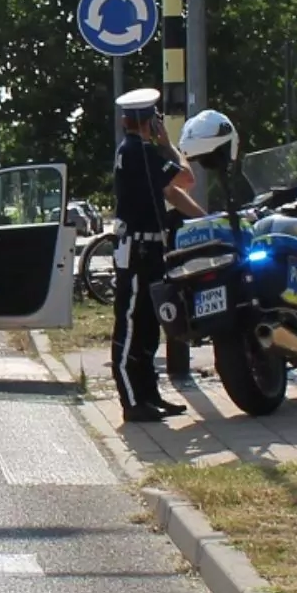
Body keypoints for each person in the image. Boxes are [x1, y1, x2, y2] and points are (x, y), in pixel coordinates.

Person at [110, 89, 209, 423]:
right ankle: (132, 401)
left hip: (150, 247)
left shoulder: (139, 152)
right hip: (137, 249)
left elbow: (172, 192)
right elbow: (186, 179)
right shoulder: (141, 151)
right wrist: (168, 143)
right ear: (150, 121)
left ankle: (148, 395)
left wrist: (206, 222)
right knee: (132, 326)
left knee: (149, 326)